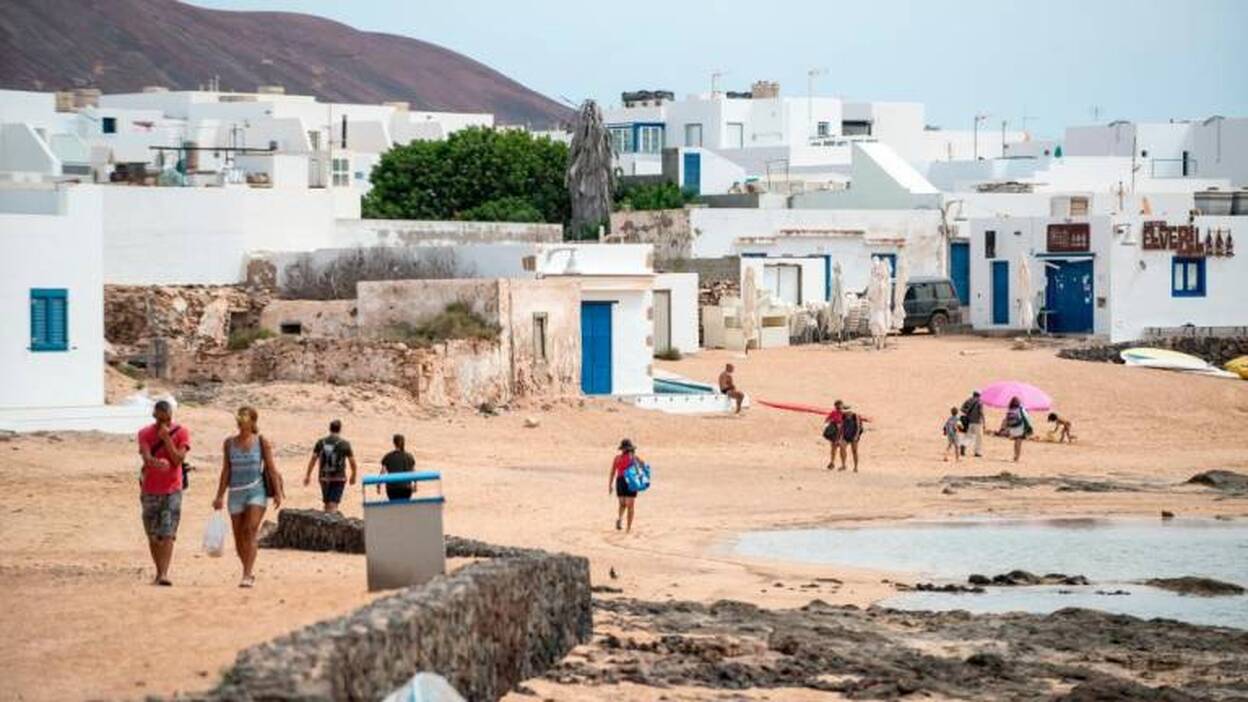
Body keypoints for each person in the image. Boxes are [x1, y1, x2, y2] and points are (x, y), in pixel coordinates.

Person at [212, 406, 282, 588]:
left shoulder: (261, 442)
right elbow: (226, 470)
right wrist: (219, 495)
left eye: (245, 419)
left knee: (250, 530)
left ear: (253, 422)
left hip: (256, 491)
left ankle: (247, 574)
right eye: (239, 419)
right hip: (235, 492)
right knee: (238, 536)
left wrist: (278, 492)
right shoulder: (229, 443)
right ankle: (247, 567)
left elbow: (271, 469)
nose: (241, 422)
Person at [138, 400, 190, 586]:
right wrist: (154, 462)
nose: (163, 424)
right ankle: (159, 570)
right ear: (154, 417)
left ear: (171, 417)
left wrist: (167, 438)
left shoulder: (181, 432)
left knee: (168, 533)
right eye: (160, 420)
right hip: (150, 489)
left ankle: (163, 574)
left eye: (166, 420)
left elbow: (177, 459)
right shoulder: (144, 433)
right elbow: (145, 456)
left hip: (172, 490)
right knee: (153, 534)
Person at [304, 419, 357, 512]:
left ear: (330, 429)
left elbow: (313, 459)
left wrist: (308, 475)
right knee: (333, 504)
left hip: (324, 477)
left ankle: (326, 522)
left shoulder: (321, 442)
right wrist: (353, 475)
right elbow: (352, 462)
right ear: (340, 429)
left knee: (327, 503)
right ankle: (331, 523)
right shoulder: (345, 444)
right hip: (339, 477)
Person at [609, 439, 642, 532]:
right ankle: (625, 524)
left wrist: (610, 485)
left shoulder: (619, 458)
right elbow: (642, 465)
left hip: (621, 481)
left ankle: (623, 522)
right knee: (627, 505)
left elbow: (612, 472)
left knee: (625, 504)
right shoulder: (632, 458)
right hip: (628, 481)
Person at [379, 434, 417, 501]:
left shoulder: (388, 457)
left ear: (394, 443)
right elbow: (413, 473)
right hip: (406, 489)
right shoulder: (409, 457)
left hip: (392, 489)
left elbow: (383, 472)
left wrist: (378, 485)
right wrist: (415, 485)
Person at [838, 404, 869, 472]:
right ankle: (843, 465)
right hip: (846, 435)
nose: (845, 413)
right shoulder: (843, 416)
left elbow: (858, 427)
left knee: (854, 451)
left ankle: (855, 467)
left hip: (854, 436)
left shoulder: (855, 416)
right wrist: (841, 436)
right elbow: (842, 426)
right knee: (842, 448)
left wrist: (856, 436)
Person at [1004, 397, 1032, 462]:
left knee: (1015, 442)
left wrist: (1006, 428)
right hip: (1019, 427)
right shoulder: (1020, 409)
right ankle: (1017, 457)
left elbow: (1006, 419)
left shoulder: (1010, 409)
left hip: (1012, 428)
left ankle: (1015, 455)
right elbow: (1026, 418)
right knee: (1019, 442)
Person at [960, 390, 985, 458]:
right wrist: (984, 422)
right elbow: (981, 412)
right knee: (979, 438)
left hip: (970, 421)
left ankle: (963, 445)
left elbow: (962, 409)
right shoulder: (980, 402)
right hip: (978, 422)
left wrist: (968, 414)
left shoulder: (968, 400)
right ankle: (977, 452)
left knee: (969, 436)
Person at [823, 400, 844, 470]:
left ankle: (842, 464)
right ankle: (832, 462)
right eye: (838, 406)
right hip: (835, 432)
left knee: (841, 449)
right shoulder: (834, 413)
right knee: (834, 448)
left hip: (841, 432)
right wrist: (834, 421)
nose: (839, 407)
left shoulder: (844, 413)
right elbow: (827, 420)